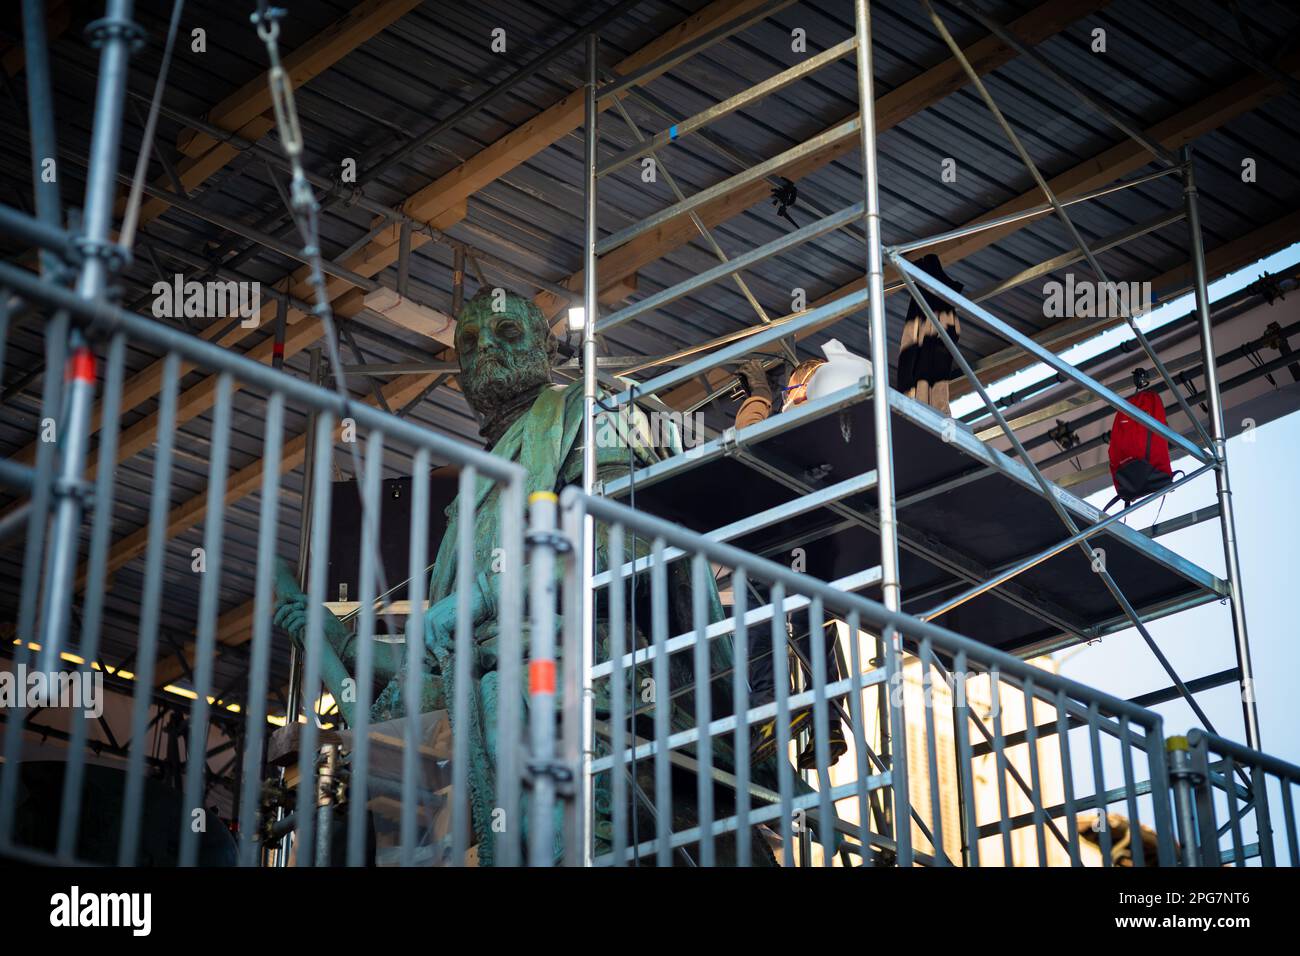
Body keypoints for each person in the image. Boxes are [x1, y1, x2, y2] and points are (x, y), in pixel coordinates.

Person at [732, 356, 848, 770]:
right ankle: (828, 723)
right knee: (813, 625)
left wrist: (758, 397)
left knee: (760, 616)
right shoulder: (839, 427)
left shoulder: (796, 422)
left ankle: (768, 711)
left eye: (791, 387)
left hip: (776, 536)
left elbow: (746, 441)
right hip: (819, 541)